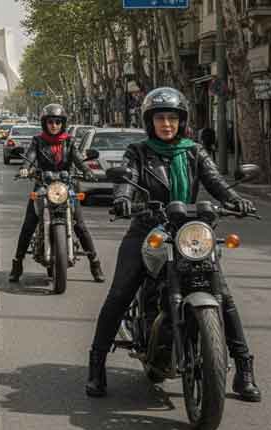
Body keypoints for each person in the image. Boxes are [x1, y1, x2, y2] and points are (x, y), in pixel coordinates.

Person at [86, 87, 261, 401]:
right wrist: (123, 199)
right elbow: (127, 179)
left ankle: (244, 370)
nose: (167, 124)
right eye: (160, 118)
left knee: (223, 295)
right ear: (150, 121)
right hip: (148, 228)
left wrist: (236, 200)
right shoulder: (138, 151)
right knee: (120, 292)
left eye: (172, 118)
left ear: (182, 121)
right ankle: (96, 365)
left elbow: (216, 182)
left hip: (189, 231)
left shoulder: (194, 151)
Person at [8, 103, 104, 283]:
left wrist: (87, 171)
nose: (54, 125)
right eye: (50, 122)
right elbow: (30, 157)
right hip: (43, 186)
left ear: (63, 123)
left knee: (80, 225)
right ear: (45, 123)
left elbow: (78, 159)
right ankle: (17, 263)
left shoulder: (69, 141)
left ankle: (95, 263)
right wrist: (24, 168)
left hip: (66, 187)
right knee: (29, 224)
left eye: (58, 122)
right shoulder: (37, 141)